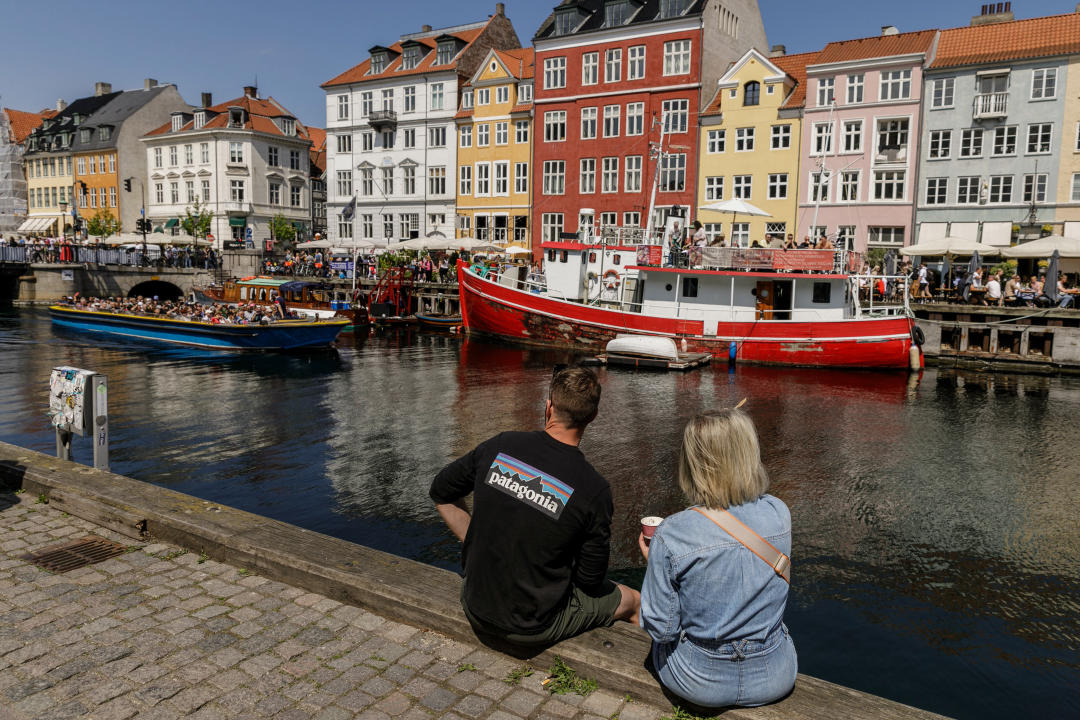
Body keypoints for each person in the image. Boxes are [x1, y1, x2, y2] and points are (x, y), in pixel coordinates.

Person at [430, 366, 639, 646]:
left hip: (475, 604)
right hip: (531, 626)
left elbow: (441, 492)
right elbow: (590, 581)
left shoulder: (501, 444)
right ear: (593, 417)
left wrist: (478, 543)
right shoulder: (594, 488)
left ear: (549, 406)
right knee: (633, 600)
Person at [639, 410, 796, 709]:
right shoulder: (779, 513)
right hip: (775, 676)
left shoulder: (673, 531)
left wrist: (655, 561)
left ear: (694, 462)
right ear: (749, 454)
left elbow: (662, 628)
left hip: (699, 681)